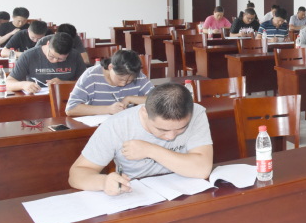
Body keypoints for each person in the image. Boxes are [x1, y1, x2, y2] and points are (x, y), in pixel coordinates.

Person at [68, 83, 213, 196]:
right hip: (136, 193)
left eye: (181, 128)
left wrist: (150, 150)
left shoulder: (196, 113)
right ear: (144, 112)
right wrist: (103, 182)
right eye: (162, 130)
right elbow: (77, 174)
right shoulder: (116, 125)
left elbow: (202, 169)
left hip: (185, 190)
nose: (171, 136)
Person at [66, 49, 154, 116]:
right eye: (121, 79)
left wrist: (130, 99)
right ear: (110, 67)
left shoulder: (137, 75)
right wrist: (108, 109)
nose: (123, 84)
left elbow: (158, 99)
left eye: (129, 81)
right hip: (98, 127)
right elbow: (71, 108)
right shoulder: (91, 76)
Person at [5, 32, 86, 93]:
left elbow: (86, 83)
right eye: (51, 56)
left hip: (66, 98)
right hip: (36, 99)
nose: (55, 60)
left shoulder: (75, 56)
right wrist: (23, 85)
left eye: (61, 59)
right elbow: (8, 83)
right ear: (48, 44)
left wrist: (64, 83)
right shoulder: (29, 56)